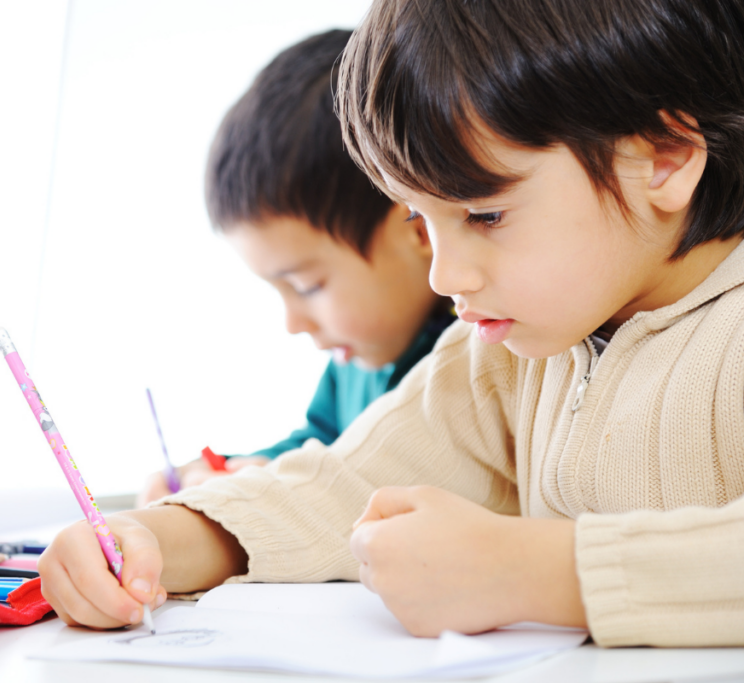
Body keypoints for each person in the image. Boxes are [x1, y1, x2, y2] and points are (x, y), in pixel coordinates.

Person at [38, 0, 744, 648]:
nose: (444, 276)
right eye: (420, 219)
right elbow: (341, 484)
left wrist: (534, 572)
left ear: (664, 159)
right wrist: (156, 535)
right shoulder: (502, 353)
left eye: (484, 214)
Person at [138, 29, 451, 506]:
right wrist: (240, 470)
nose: (293, 324)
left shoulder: (470, 359)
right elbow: (314, 444)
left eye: (307, 285)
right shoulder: (355, 359)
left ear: (418, 228)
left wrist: (270, 487)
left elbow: (373, 485)